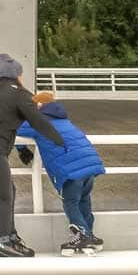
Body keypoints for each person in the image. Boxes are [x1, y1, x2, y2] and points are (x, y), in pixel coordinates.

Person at [0, 53, 63, 257]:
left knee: (9, 189)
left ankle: (10, 236)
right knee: (4, 195)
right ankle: (3, 242)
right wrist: (59, 139)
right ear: (18, 75)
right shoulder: (21, 93)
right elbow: (37, 120)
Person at [15, 90, 107, 255]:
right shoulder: (64, 120)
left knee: (70, 202)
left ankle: (82, 235)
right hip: (89, 165)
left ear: (39, 106)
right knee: (83, 200)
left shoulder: (37, 122)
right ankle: (90, 235)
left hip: (70, 170)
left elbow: (16, 130)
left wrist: (22, 149)